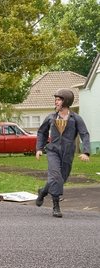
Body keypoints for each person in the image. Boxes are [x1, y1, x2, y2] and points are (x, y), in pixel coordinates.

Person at [35, 88, 90, 218]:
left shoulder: (76, 118)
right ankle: (56, 206)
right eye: (56, 99)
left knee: (61, 178)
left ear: (66, 101)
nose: (56, 102)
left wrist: (86, 152)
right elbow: (41, 132)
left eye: (59, 99)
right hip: (53, 151)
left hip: (68, 153)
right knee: (55, 176)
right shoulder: (51, 117)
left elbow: (84, 134)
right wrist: (39, 148)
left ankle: (43, 192)